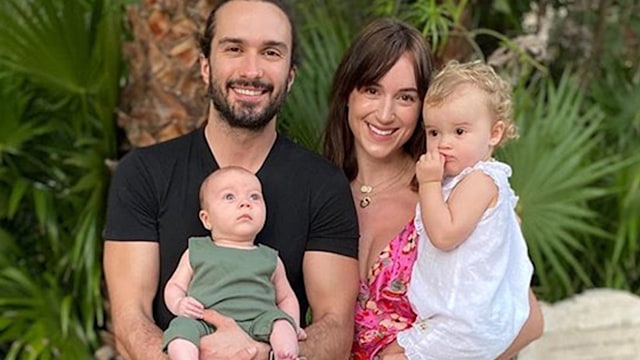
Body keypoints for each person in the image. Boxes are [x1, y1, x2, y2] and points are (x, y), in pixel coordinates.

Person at [103, 1, 359, 359]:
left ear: (290, 75)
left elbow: (336, 329)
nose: (251, 70)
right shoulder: (144, 174)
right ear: (206, 66)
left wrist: (254, 353)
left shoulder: (323, 185)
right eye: (234, 49)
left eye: (271, 52)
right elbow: (131, 322)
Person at [323, 18, 543, 360]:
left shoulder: (456, 194)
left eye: (406, 97)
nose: (385, 113)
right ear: (347, 94)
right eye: (371, 89)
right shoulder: (320, 190)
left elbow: (528, 322)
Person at [394, 60, 534, 359]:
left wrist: (428, 183)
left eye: (459, 131)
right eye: (433, 132)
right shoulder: (463, 180)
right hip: (451, 316)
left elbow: (444, 235)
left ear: (494, 134)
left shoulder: (480, 181)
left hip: (465, 322)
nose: (443, 144)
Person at [163, 167, 306, 359]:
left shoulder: (270, 258)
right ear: (207, 219)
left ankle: (285, 354)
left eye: (254, 197)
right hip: (204, 322)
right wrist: (179, 303)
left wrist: (292, 324)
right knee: (180, 330)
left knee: (280, 323)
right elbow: (175, 285)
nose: (245, 203)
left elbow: (286, 297)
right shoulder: (197, 251)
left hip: (259, 321)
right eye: (230, 197)